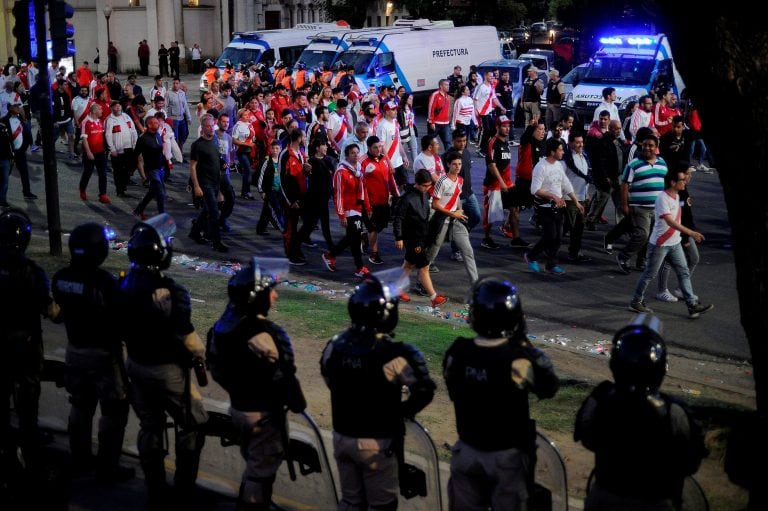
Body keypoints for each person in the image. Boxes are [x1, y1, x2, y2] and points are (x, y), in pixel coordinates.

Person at [320, 270, 436, 511]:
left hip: (342, 435)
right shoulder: (393, 354)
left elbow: (329, 377)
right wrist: (400, 412)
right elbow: (424, 390)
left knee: (351, 502)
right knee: (381, 505)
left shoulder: (335, 345)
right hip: (377, 441)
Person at [444, 277, 559, 510]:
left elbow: (453, 390)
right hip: (507, 458)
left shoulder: (457, 352)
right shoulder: (518, 359)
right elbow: (549, 387)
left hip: (466, 449)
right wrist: (524, 343)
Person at [118, 214, 208, 509]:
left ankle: (155, 488)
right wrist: (201, 356)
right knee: (193, 424)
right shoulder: (171, 291)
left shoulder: (123, 285)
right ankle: (184, 489)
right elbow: (189, 339)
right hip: (168, 370)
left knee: (150, 425)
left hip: (136, 364)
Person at [575, 314, 707, 510]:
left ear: (615, 364)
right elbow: (690, 462)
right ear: (660, 368)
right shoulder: (673, 412)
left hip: (605, 498)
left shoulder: (600, 399)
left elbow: (586, 438)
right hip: (657, 503)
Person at [207, 258, 306, 510]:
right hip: (262, 414)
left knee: (253, 465)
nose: (275, 297)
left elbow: (215, 368)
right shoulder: (263, 333)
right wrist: (294, 401)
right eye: (270, 292)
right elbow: (286, 377)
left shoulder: (223, 326)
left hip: (238, 407)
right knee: (260, 473)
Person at [51, 223, 134, 482]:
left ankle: (80, 457)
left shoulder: (60, 277)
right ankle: (107, 466)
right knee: (114, 411)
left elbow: (59, 314)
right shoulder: (104, 282)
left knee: (80, 406)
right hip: (103, 356)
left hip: (74, 350)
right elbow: (120, 319)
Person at [0, 209, 57, 473]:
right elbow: (50, 310)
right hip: (25, 344)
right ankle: (29, 451)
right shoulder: (31, 271)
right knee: (26, 402)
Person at [628, 168, 714, 318]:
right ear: (673, 182)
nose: (685, 181)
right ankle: (636, 302)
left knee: (684, 272)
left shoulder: (676, 195)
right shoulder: (662, 198)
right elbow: (670, 222)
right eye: (682, 179)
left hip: (674, 243)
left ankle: (692, 304)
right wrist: (691, 233)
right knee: (649, 274)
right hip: (660, 244)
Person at [524, 137, 584, 274]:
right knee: (549, 236)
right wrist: (553, 196)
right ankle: (531, 256)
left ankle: (551, 264)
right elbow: (534, 189)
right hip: (545, 208)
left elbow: (566, 183)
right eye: (560, 150)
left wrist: (576, 202)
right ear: (552, 152)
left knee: (558, 237)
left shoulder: (558, 165)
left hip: (558, 207)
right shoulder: (540, 167)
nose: (563, 152)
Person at [393, 169, 448, 307]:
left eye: (429, 185)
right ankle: (434, 297)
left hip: (420, 236)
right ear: (417, 183)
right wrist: (398, 237)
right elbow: (398, 218)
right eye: (426, 185)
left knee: (408, 265)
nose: (428, 188)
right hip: (412, 239)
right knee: (423, 267)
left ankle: (397, 290)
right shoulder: (407, 199)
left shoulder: (423, 194)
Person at [189, 113, 229, 252]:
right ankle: (216, 242)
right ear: (203, 128)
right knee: (213, 212)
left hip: (215, 182)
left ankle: (194, 233)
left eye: (213, 126)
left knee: (208, 210)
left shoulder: (215, 141)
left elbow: (217, 156)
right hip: (204, 184)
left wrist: (223, 162)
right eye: (208, 126)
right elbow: (193, 166)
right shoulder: (197, 145)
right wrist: (196, 186)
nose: (211, 128)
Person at [132, 116, 168, 219]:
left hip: (160, 168)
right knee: (160, 193)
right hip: (152, 170)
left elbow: (160, 151)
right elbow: (135, 154)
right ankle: (162, 216)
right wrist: (133, 170)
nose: (158, 124)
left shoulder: (157, 134)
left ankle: (138, 210)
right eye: (155, 123)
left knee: (152, 191)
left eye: (157, 122)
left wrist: (166, 163)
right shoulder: (143, 139)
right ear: (149, 125)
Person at [104, 100, 139, 198]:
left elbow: (133, 130)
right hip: (118, 150)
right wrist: (112, 149)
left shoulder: (126, 117)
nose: (118, 107)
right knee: (118, 171)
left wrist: (135, 143)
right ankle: (120, 190)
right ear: (111, 108)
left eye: (119, 105)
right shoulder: (109, 120)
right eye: (115, 106)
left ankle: (123, 185)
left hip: (129, 148)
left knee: (130, 167)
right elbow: (108, 135)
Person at [80, 103, 111, 204]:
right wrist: (88, 152)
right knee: (87, 173)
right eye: (100, 109)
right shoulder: (86, 122)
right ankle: (82, 190)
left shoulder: (100, 121)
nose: (102, 111)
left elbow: (102, 136)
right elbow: (84, 139)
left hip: (101, 152)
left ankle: (103, 194)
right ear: (94, 111)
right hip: (90, 153)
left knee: (103, 174)